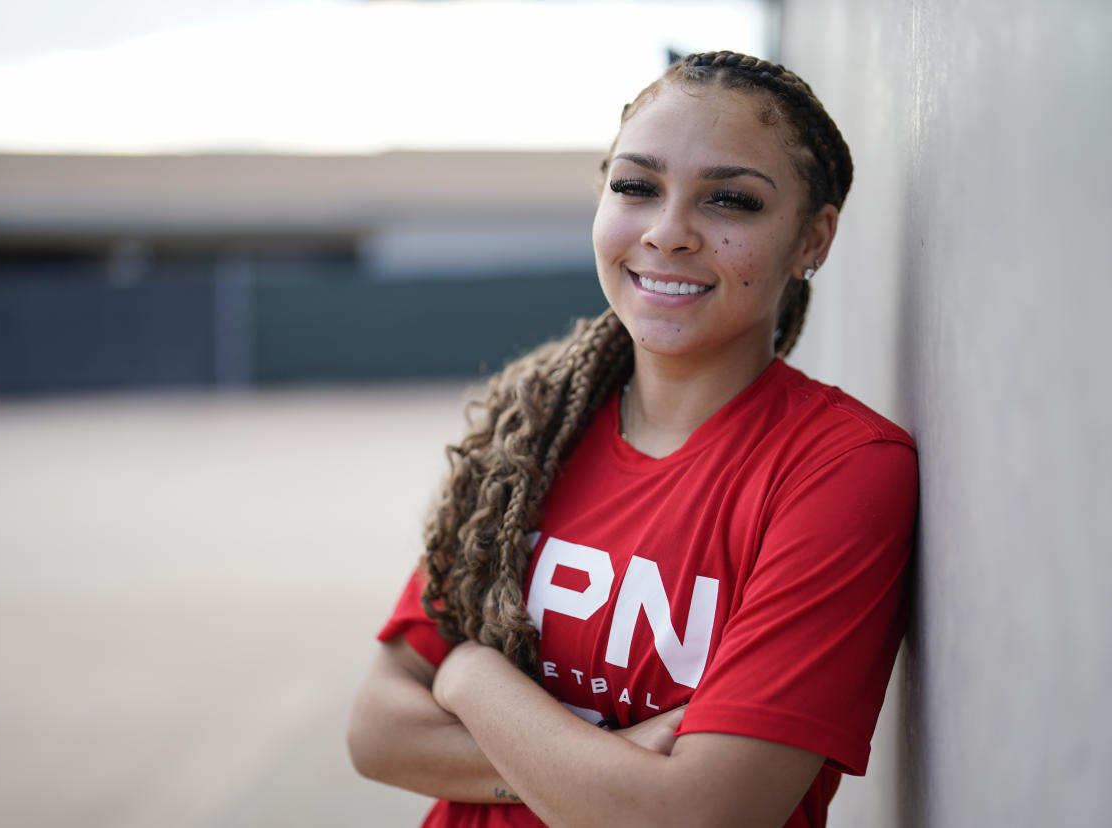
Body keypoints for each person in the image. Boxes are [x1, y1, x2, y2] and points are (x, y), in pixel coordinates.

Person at [347, 51, 918, 828]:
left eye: (731, 201)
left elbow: (694, 814)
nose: (668, 232)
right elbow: (377, 731)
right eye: (636, 187)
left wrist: (474, 680)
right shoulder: (534, 433)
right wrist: (605, 766)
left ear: (812, 240)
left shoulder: (841, 470)